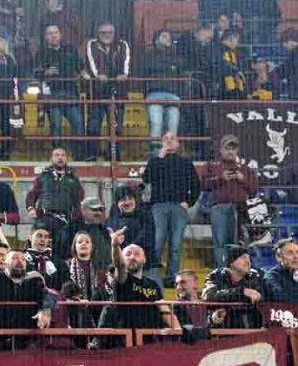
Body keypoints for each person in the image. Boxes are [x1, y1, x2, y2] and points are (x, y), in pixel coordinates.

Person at [143, 132, 199, 287]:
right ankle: (153, 276)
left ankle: (170, 278)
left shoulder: (185, 162)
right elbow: (146, 178)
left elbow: (195, 184)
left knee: (176, 244)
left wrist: (189, 202)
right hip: (158, 206)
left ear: (178, 143)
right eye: (165, 139)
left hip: (178, 206)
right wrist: (160, 154)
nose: (168, 141)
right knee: (157, 241)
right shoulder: (155, 161)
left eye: (172, 138)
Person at [103, 226, 179, 335]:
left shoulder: (153, 284)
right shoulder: (123, 278)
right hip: (126, 339)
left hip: (150, 339)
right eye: (128, 254)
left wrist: (177, 330)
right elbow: (120, 265)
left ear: (144, 259)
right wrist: (115, 246)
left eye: (137, 254)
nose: (132, 257)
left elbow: (164, 310)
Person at [203, 134, 258, 267]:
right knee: (221, 243)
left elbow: (254, 190)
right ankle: (222, 273)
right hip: (219, 207)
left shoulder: (245, 169)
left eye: (233, 149)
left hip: (241, 208)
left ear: (237, 151)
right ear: (221, 150)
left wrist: (242, 178)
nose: (230, 151)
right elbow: (203, 185)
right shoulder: (212, 166)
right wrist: (220, 178)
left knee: (240, 242)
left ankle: (237, 272)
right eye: (227, 148)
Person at [82, 22, 131, 160]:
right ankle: (92, 155)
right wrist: (98, 74)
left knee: (116, 127)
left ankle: (114, 156)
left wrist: (124, 74)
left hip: (118, 92)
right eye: (103, 32)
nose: (106, 35)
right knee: (93, 126)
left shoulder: (122, 44)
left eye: (109, 32)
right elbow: (90, 61)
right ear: (98, 34)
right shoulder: (92, 44)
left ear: (114, 33)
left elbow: (127, 61)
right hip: (97, 92)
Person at [34, 25, 84, 158]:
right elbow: (35, 72)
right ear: (45, 37)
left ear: (60, 34)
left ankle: (78, 155)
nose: (54, 35)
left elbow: (81, 67)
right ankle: (57, 156)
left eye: (56, 32)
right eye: (50, 33)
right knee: (56, 125)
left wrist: (86, 77)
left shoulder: (71, 49)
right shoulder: (41, 52)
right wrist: (46, 72)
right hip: (52, 94)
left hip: (70, 92)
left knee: (78, 122)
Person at [25, 147, 84, 245]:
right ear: (52, 158)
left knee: (62, 250)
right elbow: (31, 195)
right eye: (57, 155)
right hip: (44, 220)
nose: (60, 158)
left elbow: (79, 201)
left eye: (62, 155)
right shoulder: (43, 177)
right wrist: (31, 208)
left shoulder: (73, 179)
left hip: (64, 222)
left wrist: (76, 221)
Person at [202, 245, 265, 329]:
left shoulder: (255, 276)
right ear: (231, 262)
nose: (248, 262)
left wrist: (225, 302)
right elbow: (209, 296)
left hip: (250, 330)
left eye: (249, 258)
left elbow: (257, 297)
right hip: (221, 330)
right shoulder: (216, 276)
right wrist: (242, 292)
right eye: (243, 258)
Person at [211, 29, 247, 99]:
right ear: (230, 39)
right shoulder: (217, 50)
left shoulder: (234, 53)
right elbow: (221, 65)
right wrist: (236, 71)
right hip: (222, 89)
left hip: (233, 88)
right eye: (237, 40)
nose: (237, 43)